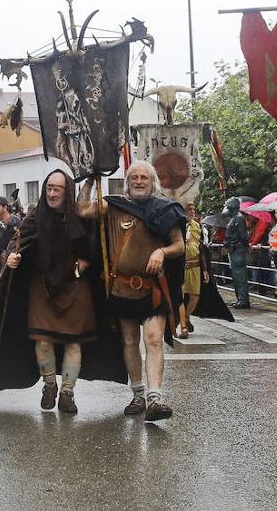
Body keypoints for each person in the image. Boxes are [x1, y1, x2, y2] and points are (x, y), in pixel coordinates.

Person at [0, 169, 126, 412]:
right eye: (48, 188)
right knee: (43, 339)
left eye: (57, 189)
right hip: (43, 286)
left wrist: (90, 258)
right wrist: (12, 257)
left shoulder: (81, 215)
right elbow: (18, 242)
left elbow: (100, 243)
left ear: (67, 191)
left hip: (76, 284)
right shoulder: (36, 215)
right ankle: (49, 385)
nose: (51, 193)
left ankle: (67, 393)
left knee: (74, 342)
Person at [78, 161, 185, 422]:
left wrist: (161, 251)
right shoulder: (113, 205)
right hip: (122, 288)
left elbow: (179, 245)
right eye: (134, 177)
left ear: (152, 182)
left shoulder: (164, 210)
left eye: (144, 178)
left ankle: (155, 398)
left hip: (152, 289)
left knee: (153, 339)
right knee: (128, 341)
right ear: (127, 183)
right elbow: (82, 209)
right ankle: (138, 393)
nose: (139, 181)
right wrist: (91, 180)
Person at [176, 204, 203, 339]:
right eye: (189, 209)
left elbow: (201, 247)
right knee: (179, 296)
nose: (192, 212)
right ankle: (183, 327)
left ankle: (186, 317)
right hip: (180, 265)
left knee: (195, 295)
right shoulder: (176, 224)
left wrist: (205, 268)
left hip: (195, 265)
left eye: (193, 209)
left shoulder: (196, 226)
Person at [223, 198, 251, 308]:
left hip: (238, 249)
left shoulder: (239, 219)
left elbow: (243, 236)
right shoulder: (233, 218)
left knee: (240, 275)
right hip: (233, 249)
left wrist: (246, 246)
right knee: (236, 275)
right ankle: (240, 298)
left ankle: (243, 300)